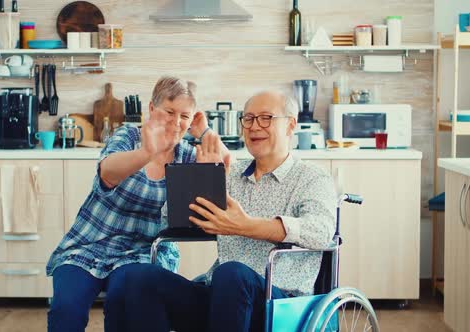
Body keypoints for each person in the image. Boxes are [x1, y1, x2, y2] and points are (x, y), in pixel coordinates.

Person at [120, 91, 337, 332]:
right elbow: (171, 219)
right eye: (249, 118)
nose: (255, 127)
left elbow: (321, 231)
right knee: (135, 277)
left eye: (265, 118)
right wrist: (199, 180)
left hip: (279, 303)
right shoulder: (232, 173)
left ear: (290, 125)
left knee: (232, 273)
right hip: (221, 296)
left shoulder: (312, 178)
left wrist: (246, 226)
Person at [45, 76, 228, 332]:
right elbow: (107, 172)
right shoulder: (128, 137)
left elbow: (227, 168)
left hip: (144, 250)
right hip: (91, 243)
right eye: (169, 112)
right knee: (67, 308)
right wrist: (147, 153)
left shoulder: (188, 155)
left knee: (125, 303)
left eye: (185, 116)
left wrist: (205, 131)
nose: (176, 123)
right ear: (152, 109)